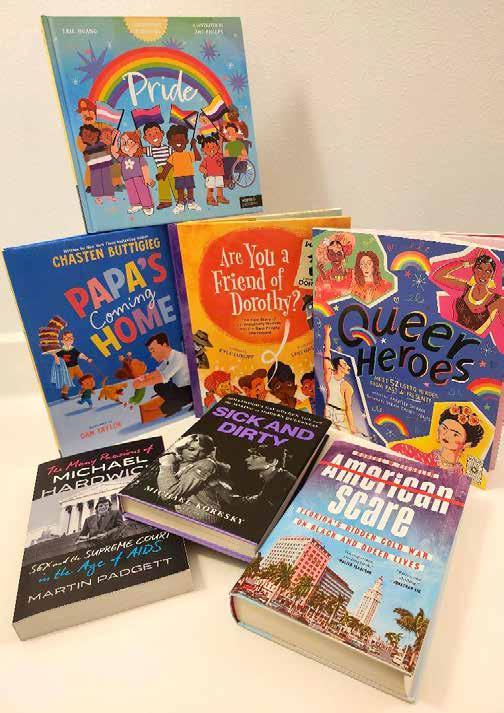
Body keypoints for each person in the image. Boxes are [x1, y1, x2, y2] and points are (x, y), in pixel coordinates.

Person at [156, 434, 231, 524]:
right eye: (191, 449)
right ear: (181, 448)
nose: (196, 454)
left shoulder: (206, 464)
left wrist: (167, 464)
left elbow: (168, 494)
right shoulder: (181, 462)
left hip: (202, 517)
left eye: (203, 451)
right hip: (184, 513)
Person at [391, 404, 485, 476]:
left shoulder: (462, 473)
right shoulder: (407, 451)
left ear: (467, 444)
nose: (446, 435)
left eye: (455, 434)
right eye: (444, 428)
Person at [430, 252, 504, 334]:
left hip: (473, 341)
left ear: (492, 275)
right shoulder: (465, 288)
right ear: (473, 270)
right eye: (479, 269)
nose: (483, 274)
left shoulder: (498, 301)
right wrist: (466, 263)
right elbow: (438, 276)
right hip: (451, 335)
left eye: (488, 271)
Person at [133, 332, 192, 417]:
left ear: (164, 345)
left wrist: (142, 384)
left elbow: (163, 377)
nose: (152, 355)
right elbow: (158, 372)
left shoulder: (178, 358)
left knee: (165, 408)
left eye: (153, 350)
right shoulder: (167, 358)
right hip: (177, 388)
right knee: (158, 386)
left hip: (188, 391)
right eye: (151, 352)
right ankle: (174, 403)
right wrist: (143, 378)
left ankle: (176, 405)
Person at [243, 445, 296, 525]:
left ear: (273, 462)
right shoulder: (262, 480)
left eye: (254, 457)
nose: (247, 459)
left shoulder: (288, 481)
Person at [157, 125, 202, 214]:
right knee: (180, 191)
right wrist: (163, 175)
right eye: (175, 140)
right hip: (178, 177)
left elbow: (198, 158)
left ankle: (191, 202)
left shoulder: (188, 154)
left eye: (182, 139)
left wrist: (194, 146)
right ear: (170, 143)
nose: (179, 142)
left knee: (190, 189)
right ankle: (180, 204)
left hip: (189, 175)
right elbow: (168, 166)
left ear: (186, 141)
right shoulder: (173, 156)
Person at [111, 130, 155, 216]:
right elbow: (114, 151)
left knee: (142, 191)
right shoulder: (122, 158)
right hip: (128, 178)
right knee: (132, 191)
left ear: (137, 145)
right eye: (123, 143)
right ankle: (136, 204)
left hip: (139, 177)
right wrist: (115, 138)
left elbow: (144, 167)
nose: (126, 145)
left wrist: (147, 178)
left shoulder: (139, 158)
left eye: (130, 142)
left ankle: (147, 205)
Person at [322, 324, 356, 433]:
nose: (347, 366)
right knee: (328, 435)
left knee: (346, 438)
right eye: (344, 364)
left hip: (340, 415)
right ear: (338, 366)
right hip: (328, 411)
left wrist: (352, 427)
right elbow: (327, 351)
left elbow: (348, 408)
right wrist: (327, 333)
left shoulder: (347, 387)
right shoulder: (329, 374)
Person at [78, 124, 116, 205]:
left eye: (90, 134)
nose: (89, 137)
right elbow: (86, 158)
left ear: (96, 133)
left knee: (106, 179)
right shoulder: (87, 149)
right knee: (96, 181)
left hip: (105, 164)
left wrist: (109, 150)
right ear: (83, 139)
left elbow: (108, 151)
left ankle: (109, 193)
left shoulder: (102, 144)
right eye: (85, 136)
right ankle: (98, 196)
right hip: (94, 167)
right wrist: (86, 158)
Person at [142, 122, 176, 210]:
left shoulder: (167, 148)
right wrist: (137, 137)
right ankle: (165, 201)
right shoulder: (151, 149)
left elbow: (174, 156)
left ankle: (181, 197)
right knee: (162, 184)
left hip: (170, 167)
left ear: (162, 133)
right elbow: (141, 150)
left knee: (174, 181)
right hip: (160, 168)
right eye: (149, 135)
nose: (154, 136)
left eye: (156, 132)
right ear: (145, 138)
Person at [51, 330, 93, 400]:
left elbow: (80, 355)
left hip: (76, 367)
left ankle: (86, 389)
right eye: (66, 339)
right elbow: (57, 361)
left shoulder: (73, 349)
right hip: (68, 369)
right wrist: (55, 356)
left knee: (82, 378)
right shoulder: (61, 351)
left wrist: (87, 359)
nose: (69, 340)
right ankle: (64, 393)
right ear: (62, 341)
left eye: (71, 338)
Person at [315, 232, 355, 301]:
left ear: (344, 255)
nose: (336, 257)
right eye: (332, 254)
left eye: (339, 254)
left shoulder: (354, 275)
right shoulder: (321, 278)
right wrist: (324, 277)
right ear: (327, 256)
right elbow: (320, 301)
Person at [198, 135, 229, 206]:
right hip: (210, 176)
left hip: (219, 175)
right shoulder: (206, 159)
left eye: (213, 146)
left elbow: (220, 146)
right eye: (208, 147)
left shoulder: (219, 155)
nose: (211, 148)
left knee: (219, 186)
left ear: (217, 147)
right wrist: (205, 171)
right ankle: (210, 198)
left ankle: (220, 197)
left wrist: (221, 138)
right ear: (203, 149)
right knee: (210, 187)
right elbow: (201, 168)